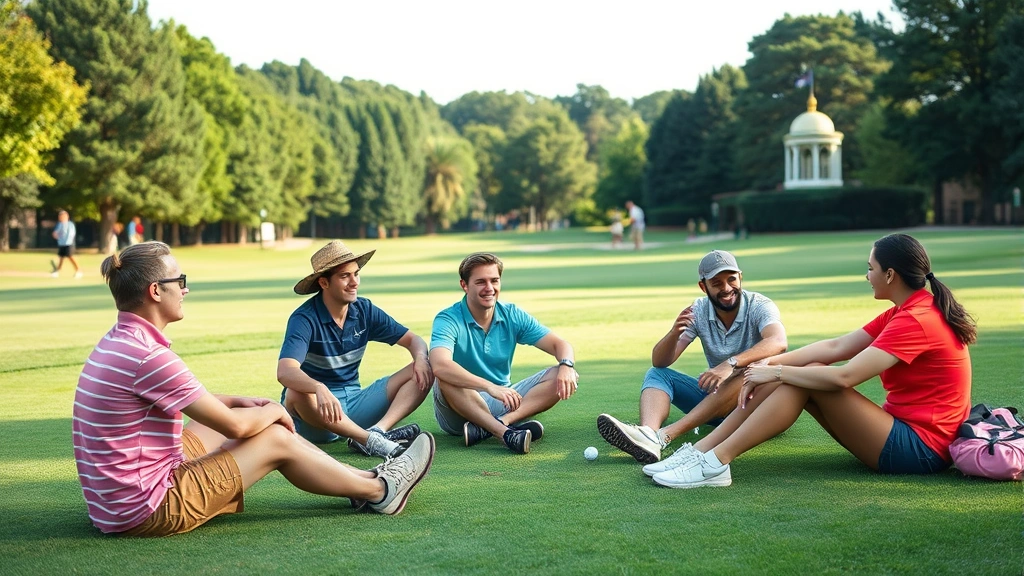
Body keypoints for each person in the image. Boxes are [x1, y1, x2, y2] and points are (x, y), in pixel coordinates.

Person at [72, 242, 435, 537]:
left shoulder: (121, 341)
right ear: (155, 291)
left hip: (116, 501)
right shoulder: (148, 356)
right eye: (178, 280)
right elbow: (237, 429)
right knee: (274, 436)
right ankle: (379, 489)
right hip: (149, 506)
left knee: (242, 418)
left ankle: (358, 481)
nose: (185, 289)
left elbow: (202, 406)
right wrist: (275, 411)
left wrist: (241, 402)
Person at [649, 234, 974, 488]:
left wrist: (775, 371)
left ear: (890, 275)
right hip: (903, 435)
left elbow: (843, 377)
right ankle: (701, 452)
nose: (867, 275)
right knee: (798, 373)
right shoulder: (904, 311)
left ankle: (714, 461)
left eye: (871, 268)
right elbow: (835, 346)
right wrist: (758, 368)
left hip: (920, 449)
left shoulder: (916, 319)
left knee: (799, 377)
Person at [598, 250, 787, 466]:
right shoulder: (698, 309)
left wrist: (730, 364)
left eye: (731, 279)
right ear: (703, 286)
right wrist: (673, 333)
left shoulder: (760, 305)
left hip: (757, 407)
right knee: (657, 375)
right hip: (717, 403)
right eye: (717, 283)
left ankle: (663, 437)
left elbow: (778, 341)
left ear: (740, 277)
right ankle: (647, 436)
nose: (726, 288)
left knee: (749, 369)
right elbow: (659, 361)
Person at [277, 240, 431, 459]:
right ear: (324, 283)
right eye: (344, 276)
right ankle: (369, 441)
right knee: (294, 393)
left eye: (356, 274)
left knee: (427, 363)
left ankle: (377, 432)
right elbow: (285, 371)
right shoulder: (304, 319)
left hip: (355, 401)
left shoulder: (364, 310)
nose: (354, 282)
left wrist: (421, 359)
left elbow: (413, 340)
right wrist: (318, 387)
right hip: (319, 414)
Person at [430, 252, 579, 454]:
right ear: (464, 285)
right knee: (445, 376)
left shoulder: (511, 314)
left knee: (560, 373)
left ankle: (497, 425)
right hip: (458, 412)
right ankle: (505, 433)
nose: (489, 288)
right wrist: (490, 387)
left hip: (502, 403)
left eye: (494, 280)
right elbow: (439, 365)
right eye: (480, 282)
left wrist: (567, 366)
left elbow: (559, 344)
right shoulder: (448, 319)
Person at [50, 209, 81, 278]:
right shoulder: (59, 224)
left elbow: (71, 234)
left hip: (69, 244)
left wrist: (68, 241)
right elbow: (56, 233)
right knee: (61, 258)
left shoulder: (70, 224)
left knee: (70, 257)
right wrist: (55, 235)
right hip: (62, 244)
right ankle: (57, 271)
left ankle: (78, 270)